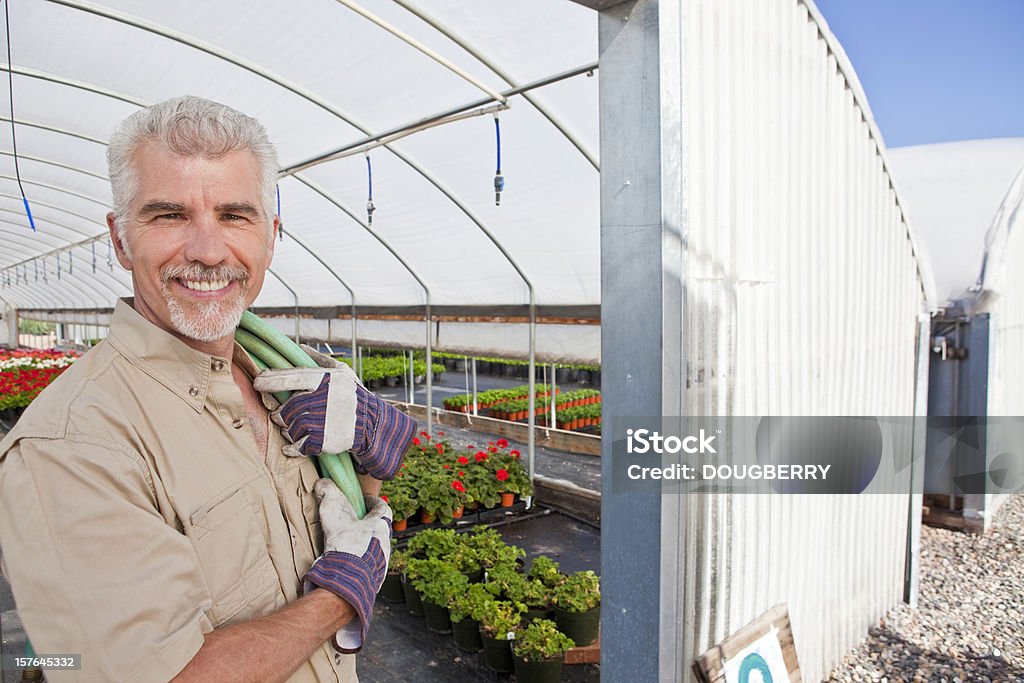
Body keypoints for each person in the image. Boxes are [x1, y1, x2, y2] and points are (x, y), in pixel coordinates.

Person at [0, 96, 416, 682]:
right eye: (168, 215)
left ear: (271, 236)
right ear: (120, 240)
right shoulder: (72, 447)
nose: (207, 251)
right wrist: (340, 599)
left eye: (234, 215)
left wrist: (369, 452)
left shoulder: (283, 377)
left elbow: (353, 503)